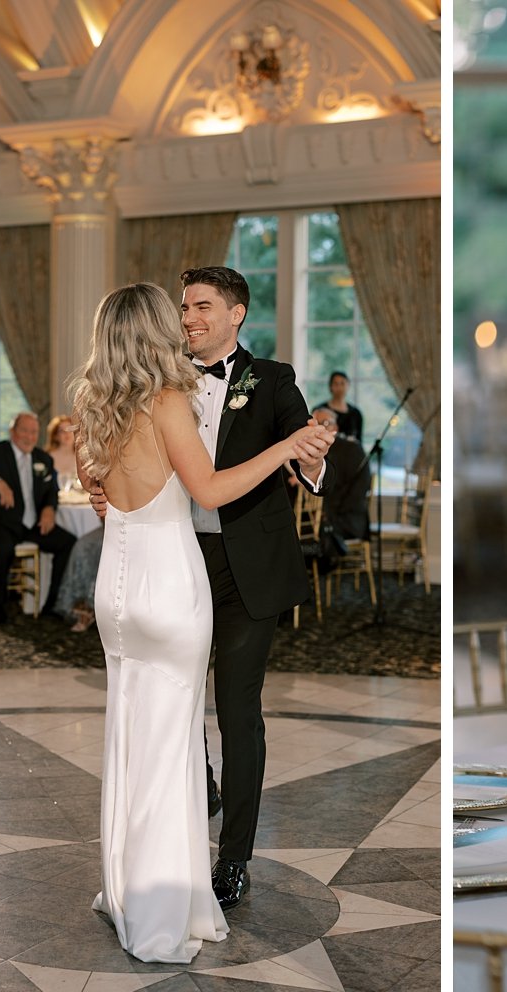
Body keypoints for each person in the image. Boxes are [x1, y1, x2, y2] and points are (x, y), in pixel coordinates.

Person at [70, 282, 330, 963]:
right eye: (176, 312)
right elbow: (209, 489)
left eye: (199, 308)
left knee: (132, 737)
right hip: (170, 585)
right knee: (173, 745)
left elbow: (99, 490)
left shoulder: (95, 402)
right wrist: (284, 450)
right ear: (157, 327)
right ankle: (162, 910)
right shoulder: (166, 400)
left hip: (117, 593)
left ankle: (126, 886)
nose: (186, 320)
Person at [0, 413, 76, 624]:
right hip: (0, 522)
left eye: (34, 432)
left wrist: (49, 508)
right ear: (13, 432)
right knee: (3, 547)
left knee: (67, 542)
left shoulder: (43, 459)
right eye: (24, 431)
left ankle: (50, 604)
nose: (29, 437)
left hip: (31, 524)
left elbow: (51, 489)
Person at [312, 405, 371, 540]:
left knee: (316, 533)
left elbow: (360, 488)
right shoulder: (311, 451)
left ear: (336, 427)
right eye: (316, 423)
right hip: (319, 516)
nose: (321, 427)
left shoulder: (351, 449)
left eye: (326, 423)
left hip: (347, 518)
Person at [324, 370, 364, 441]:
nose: (339, 387)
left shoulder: (356, 413)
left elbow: (358, 441)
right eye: (336, 384)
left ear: (348, 386)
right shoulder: (321, 411)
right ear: (330, 386)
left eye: (342, 383)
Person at [46, 415, 80, 486]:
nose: (66, 433)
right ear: (55, 436)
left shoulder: (82, 457)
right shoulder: (47, 458)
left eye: (69, 429)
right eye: (62, 431)